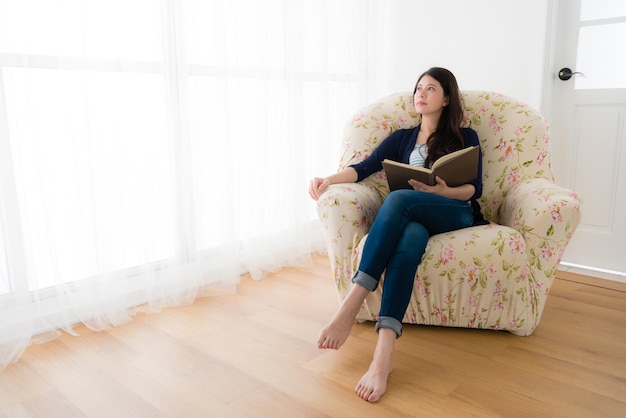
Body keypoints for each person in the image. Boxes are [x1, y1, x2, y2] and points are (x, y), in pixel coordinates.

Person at [308, 67, 486, 402]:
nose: (421, 93)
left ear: (446, 99)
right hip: (415, 218)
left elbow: (473, 190)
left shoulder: (467, 137)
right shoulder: (402, 137)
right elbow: (365, 166)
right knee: (409, 238)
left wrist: (443, 192)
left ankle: (353, 301)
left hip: (455, 211)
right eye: (418, 87)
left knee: (399, 198)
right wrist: (328, 179)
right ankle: (383, 353)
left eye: (431, 88)